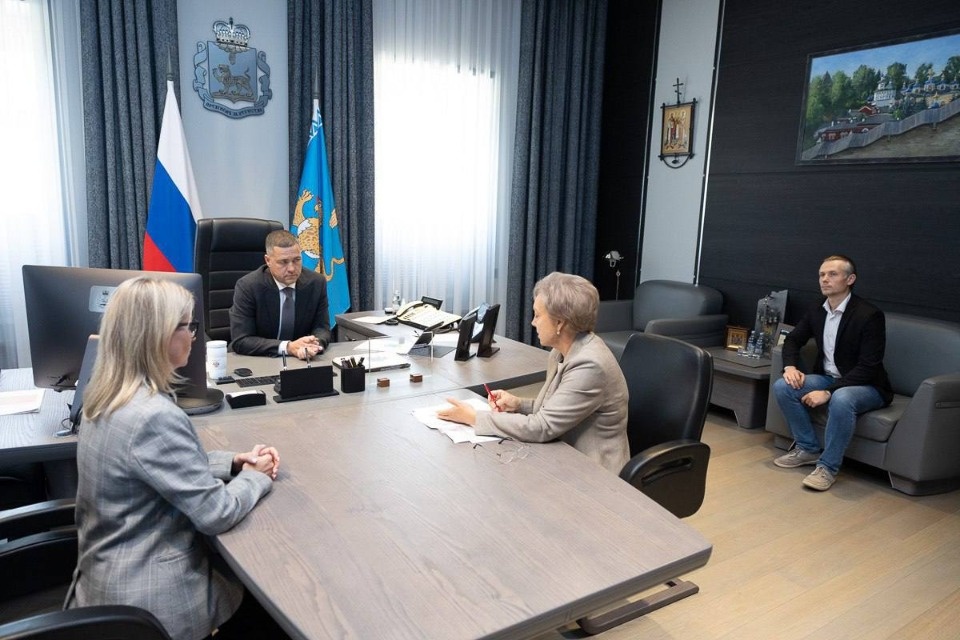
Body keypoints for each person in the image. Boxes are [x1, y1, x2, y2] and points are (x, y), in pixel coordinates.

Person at [65, 277, 283, 640]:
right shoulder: (152, 416)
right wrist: (255, 476)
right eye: (187, 326)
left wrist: (232, 461)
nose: (194, 336)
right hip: (155, 602)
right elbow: (217, 513)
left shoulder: (105, 395)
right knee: (274, 598)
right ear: (157, 336)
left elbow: (153, 464)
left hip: (106, 579)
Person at [437, 272, 629, 474]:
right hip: (564, 455)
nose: (533, 322)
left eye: (537, 315)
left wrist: (475, 417)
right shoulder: (561, 351)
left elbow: (542, 427)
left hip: (596, 473)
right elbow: (553, 409)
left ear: (559, 323)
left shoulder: (589, 365)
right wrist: (518, 404)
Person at [772, 255, 892, 491]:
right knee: (783, 387)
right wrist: (790, 367)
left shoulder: (869, 315)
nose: (824, 279)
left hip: (867, 385)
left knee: (842, 397)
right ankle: (808, 449)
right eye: (822, 274)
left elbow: (868, 367)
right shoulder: (817, 308)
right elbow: (793, 340)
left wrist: (827, 391)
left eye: (832, 274)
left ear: (850, 279)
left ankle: (828, 467)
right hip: (829, 377)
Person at [229, 229, 331, 359]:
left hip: (301, 360)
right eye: (283, 262)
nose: (292, 268)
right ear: (268, 260)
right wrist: (288, 347)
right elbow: (241, 340)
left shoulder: (316, 283)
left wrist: (313, 345)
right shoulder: (248, 286)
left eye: (296, 260)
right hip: (258, 360)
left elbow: (322, 328)